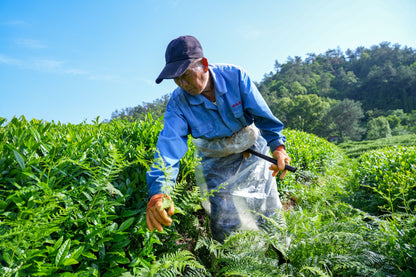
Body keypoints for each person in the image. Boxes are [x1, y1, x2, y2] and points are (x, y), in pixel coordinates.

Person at [146, 35, 291, 242]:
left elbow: (263, 117)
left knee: (265, 207)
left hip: (252, 152)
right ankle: (230, 263)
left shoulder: (235, 77)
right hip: (216, 161)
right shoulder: (178, 103)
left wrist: (278, 147)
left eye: (186, 75)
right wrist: (160, 192)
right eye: (176, 79)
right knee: (224, 217)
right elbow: (169, 147)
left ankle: (279, 258)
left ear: (204, 65)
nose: (182, 84)